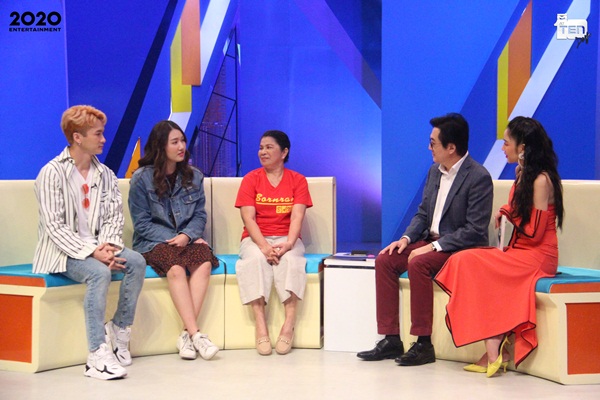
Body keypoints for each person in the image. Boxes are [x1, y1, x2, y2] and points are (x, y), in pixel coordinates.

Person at [357, 113, 493, 366]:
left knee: (418, 263)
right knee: (386, 260)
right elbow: (423, 213)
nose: (429, 148)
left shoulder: (478, 177)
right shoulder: (434, 172)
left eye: (433, 143)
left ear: (451, 147)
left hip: (459, 248)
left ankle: (423, 343)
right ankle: (391, 338)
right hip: (431, 242)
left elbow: (475, 230)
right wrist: (406, 239)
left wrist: (433, 246)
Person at [434, 117, 564, 377]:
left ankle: (494, 347)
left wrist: (509, 214)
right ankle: (495, 344)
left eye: (506, 143)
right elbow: (522, 213)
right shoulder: (522, 175)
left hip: (537, 257)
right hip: (518, 252)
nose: (502, 148)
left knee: (475, 263)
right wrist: (507, 210)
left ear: (522, 147)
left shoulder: (541, 180)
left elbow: (535, 232)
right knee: (464, 261)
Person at [33, 105, 147, 380]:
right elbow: (54, 226)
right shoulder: (51, 173)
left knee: (136, 262)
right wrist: (93, 252)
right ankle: (96, 353)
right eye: (98, 134)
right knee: (98, 273)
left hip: (98, 247)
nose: (104, 139)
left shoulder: (106, 174)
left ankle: (119, 328)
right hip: (61, 252)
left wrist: (107, 247)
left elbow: (114, 217)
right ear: (77, 137)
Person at [129, 120, 220, 361]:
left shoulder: (194, 176)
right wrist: (175, 239)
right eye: (174, 142)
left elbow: (199, 215)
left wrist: (187, 236)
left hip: (185, 239)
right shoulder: (141, 179)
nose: (181, 147)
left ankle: (186, 335)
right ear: (161, 146)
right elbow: (142, 224)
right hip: (152, 242)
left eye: (183, 141)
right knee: (176, 268)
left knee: (204, 261)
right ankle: (196, 334)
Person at [234, 130, 313, 356]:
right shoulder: (251, 179)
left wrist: (289, 243)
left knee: (292, 261)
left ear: (284, 152)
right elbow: (248, 218)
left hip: (287, 238)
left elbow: (297, 217)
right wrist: (264, 247)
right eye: (261, 147)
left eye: (269, 147)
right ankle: (261, 326)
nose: (263, 152)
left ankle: (289, 324)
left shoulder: (298, 180)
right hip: (256, 238)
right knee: (255, 260)